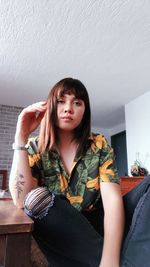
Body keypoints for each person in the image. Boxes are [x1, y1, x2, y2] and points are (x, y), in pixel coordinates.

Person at [9, 77, 150, 267]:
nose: (69, 108)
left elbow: (112, 201)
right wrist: (20, 138)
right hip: (63, 229)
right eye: (61, 101)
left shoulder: (98, 144)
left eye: (77, 102)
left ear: (85, 111)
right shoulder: (35, 147)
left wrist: (110, 260)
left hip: (97, 220)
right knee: (35, 199)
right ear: (50, 106)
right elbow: (21, 199)